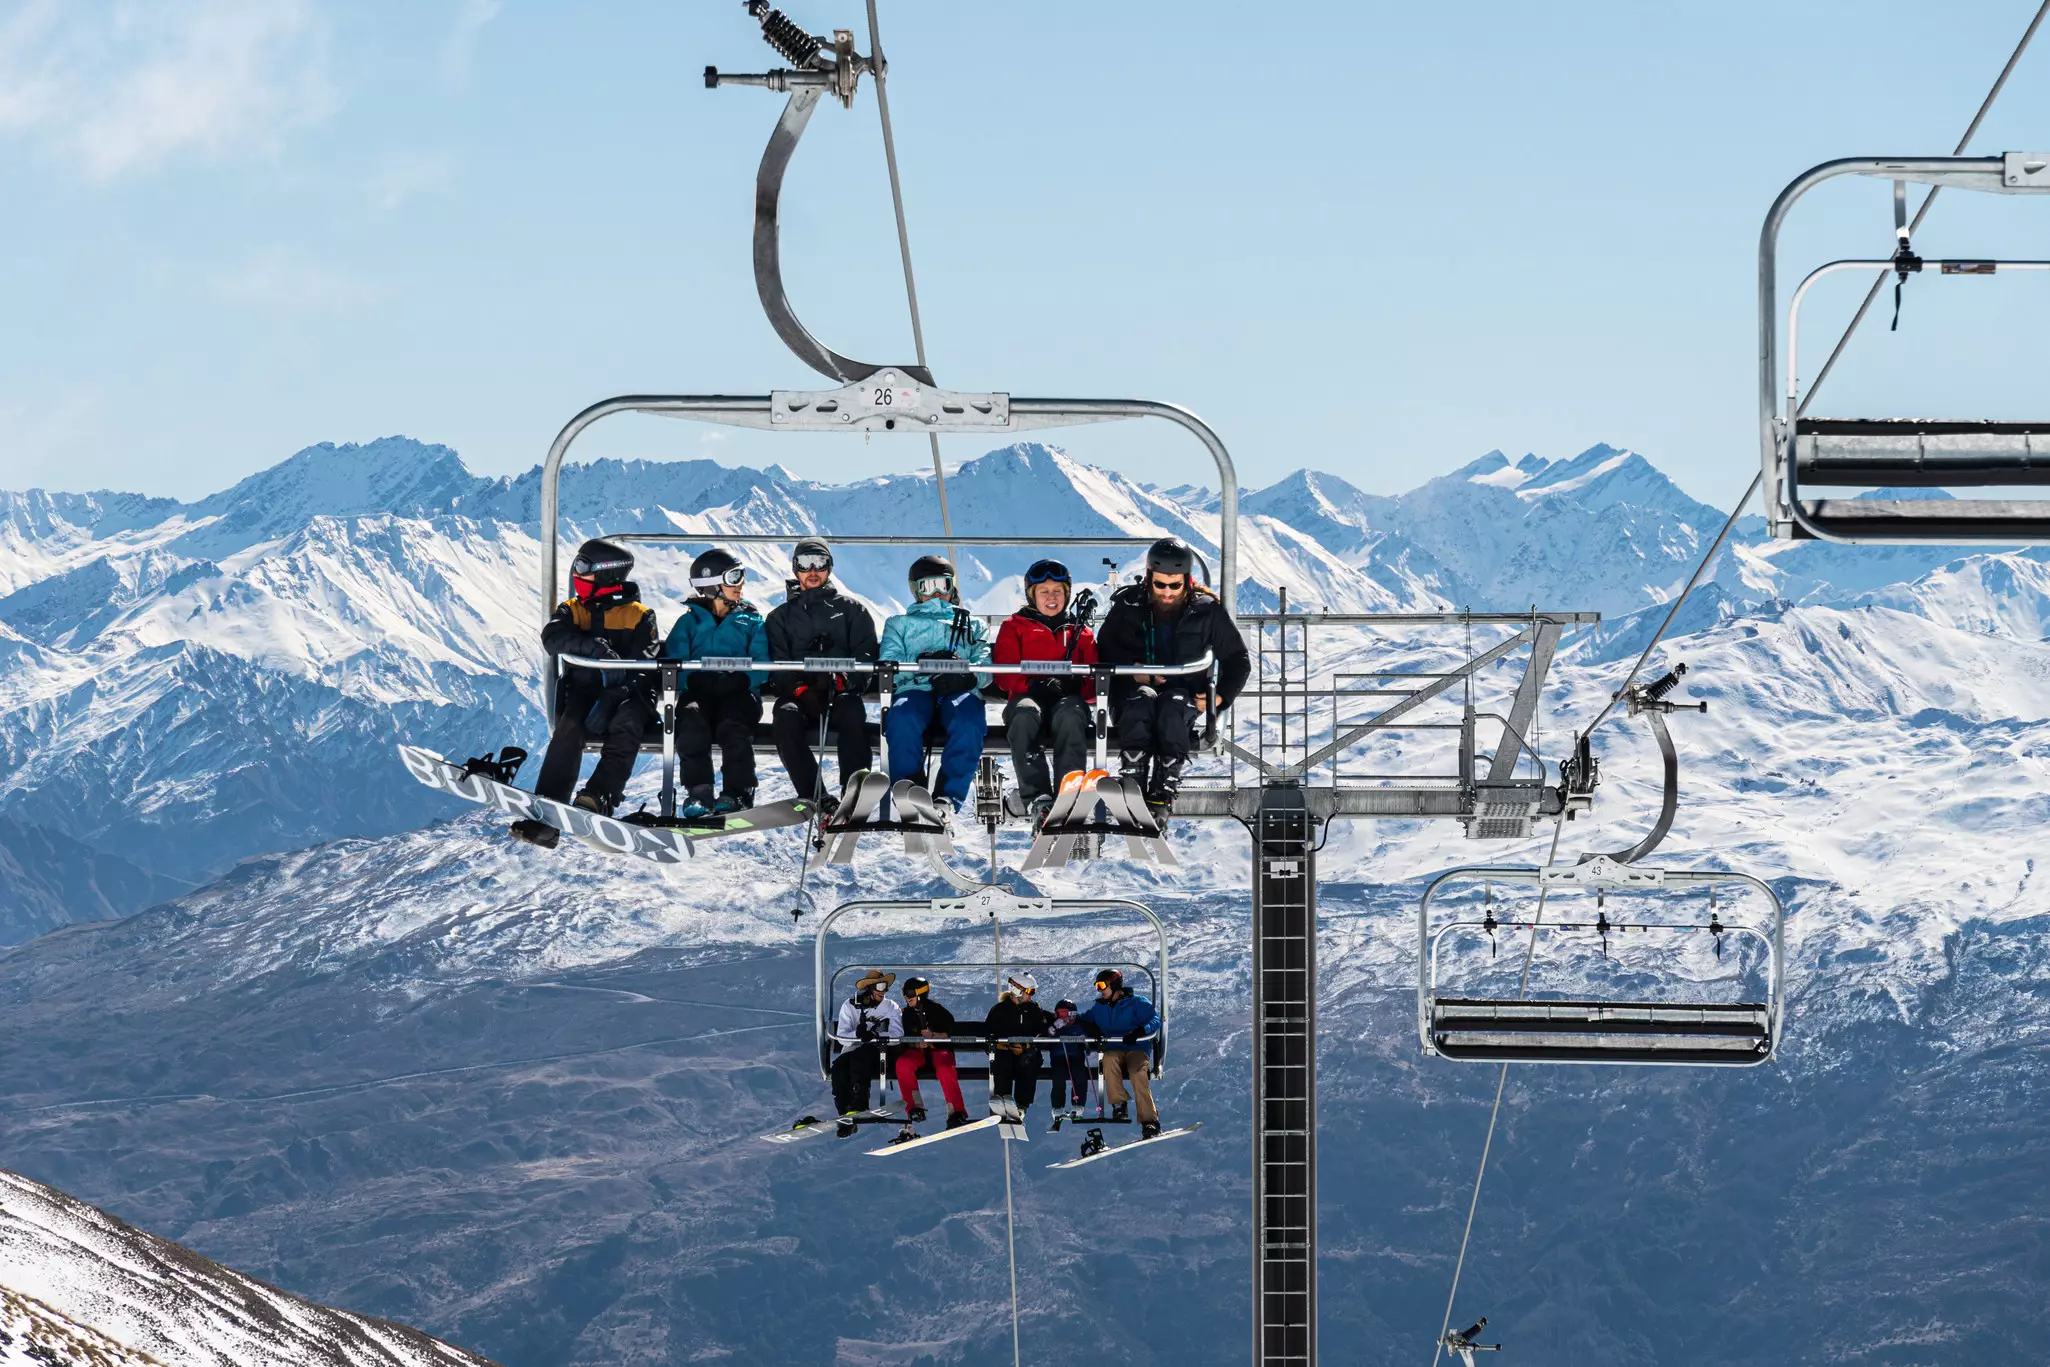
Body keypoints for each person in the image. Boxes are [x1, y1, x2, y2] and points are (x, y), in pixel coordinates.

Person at [515, 538, 661, 848]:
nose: (577, 576)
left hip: (628, 696)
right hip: (585, 691)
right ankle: (547, 817)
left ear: (608, 574)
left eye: (584, 569)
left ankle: (599, 796)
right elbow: (552, 637)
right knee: (569, 726)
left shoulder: (639, 616)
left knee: (628, 723)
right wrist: (592, 647)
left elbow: (646, 670)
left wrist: (614, 696)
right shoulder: (573, 609)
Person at [1095, 536, 1251, 813]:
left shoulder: (1206, 611)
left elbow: (1237, 658)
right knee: (1140, 702)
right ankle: (1133, 779)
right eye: (1160, 585)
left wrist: (1220, 697)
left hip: (1184, 693)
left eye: (1175, 585)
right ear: (1149, 577)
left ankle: (1162, 791)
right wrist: (1132, 669)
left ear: (1187, 581)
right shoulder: (1129, 605)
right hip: (1134, 690)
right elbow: (1104, 648)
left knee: (1172, 706)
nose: (1167, 592)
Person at [764, 538, 879, 814]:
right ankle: (815, 795)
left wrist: (844, 681)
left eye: (820, 563)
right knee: (785, 713)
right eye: (805, 564)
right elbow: (777, 664)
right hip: (801, 696)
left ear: (829, 568)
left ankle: (853, 790)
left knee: (852, 710)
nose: (812, 570)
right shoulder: (780, 618)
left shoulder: (853, 610)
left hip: (839, 693)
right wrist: (800, 688)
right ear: (795, 570)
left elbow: (867, 656)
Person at [879, 555, 992, 816]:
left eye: (943, 585)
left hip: (958, 691)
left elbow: (985, 662)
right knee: (904, 715)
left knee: (969, 719)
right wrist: (921, 663)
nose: (938, 594)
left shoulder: (972, 625)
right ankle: (908, 790)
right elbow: (889, 664)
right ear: (915, 591)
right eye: (928, 587)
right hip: (914, 688)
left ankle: (946, 800)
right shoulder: (899, 624)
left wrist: (968, 676)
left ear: (952, 587)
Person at [661, 549, 770, 817]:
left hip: (740, 693)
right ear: (711, 585)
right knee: (690, 718)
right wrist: (694, 678)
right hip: (700, 691)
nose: (741, 583)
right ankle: (699, 792)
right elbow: (673, 663)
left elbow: (763, 663)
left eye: (742, 575)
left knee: (734, 725)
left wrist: (743, 679)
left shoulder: (752, 620)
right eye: (734, 577)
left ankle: (738, 791)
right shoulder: (689, 622)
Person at [991, 559, 1098, 823]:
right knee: (1025, 714)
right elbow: (1004, 676)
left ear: (1067, 595)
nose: (1052, 598)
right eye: (1044, 592)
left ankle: (1068, 794)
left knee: (1072, 715)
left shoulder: (1080, 633)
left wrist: (1075, 683)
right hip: (1028, 698)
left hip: (1067, 701)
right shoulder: (1014, 627)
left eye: (1057, 592)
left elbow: (1096, 682)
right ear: (1032, 595)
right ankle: (1037, 798)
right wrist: (1033, 684)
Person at [1076, 967, 1165, 1139]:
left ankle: (1149, 1122)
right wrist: (1060, 1017)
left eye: (1102, 986)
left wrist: (1140, 1031)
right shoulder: (1099, 1008)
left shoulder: (1136, 1003)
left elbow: (1155, 1020)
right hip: (1114, 1049)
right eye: (1097, 986)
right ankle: (1119, 1105)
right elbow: (1083, 1018)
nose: (1099, 990)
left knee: (1138, 1072)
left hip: (1136, 1048)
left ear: (1115, 985)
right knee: (1108, 1061)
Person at [893, 976, 973, 1130]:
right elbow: (903, 1036)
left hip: (938, 1049)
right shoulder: (906, 1015)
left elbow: (949, 1031)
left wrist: (933, 1036)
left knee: (945, 1067)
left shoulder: (937, 1010)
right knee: (903, 1064)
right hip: (918, 1052)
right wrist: (917, 1042)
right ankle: (914, 1108)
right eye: (904, 993)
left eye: (909, 993)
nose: (906, 997)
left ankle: (956, 1112)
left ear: (920, 993)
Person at [831, 969, 902, 1137]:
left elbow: (897, 1035)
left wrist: (876, 1035)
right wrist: (857, 1034)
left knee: (860, 1057)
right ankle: (845, 1115)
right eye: (880, 985)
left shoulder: (891, 1007)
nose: (883, 991)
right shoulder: (850, 1006)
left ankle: (860, 1105)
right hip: (853, 1051)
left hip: (881, 1052)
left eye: (886, 987)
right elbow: (841, 1037)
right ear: (869, 988)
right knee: (839, 1067)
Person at [983, 972, 1053, 1119]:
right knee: (1002, 1063)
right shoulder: (1000, 1010)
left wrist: (1031, 1047)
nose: (1031, 996)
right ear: (1017, 989)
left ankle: (1021, 1106)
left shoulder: (1033, 1010)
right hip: (1005, 1051)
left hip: (1027, 1052)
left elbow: (1042, 1032)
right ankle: (1002, 1099)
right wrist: (998, 1045)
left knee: (1028, 1065)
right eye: (1029, 991)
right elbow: (988, 1033)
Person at [1043, 997, 1092, 1113]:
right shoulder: (1053, 1026)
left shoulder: (1080, 1026)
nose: (1063, 1018)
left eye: (1065, 1014)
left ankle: (1078, 1104)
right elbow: (1044, 1041)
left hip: (1076, 1058)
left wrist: (1086, 1042)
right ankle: (1057, 1107)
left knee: (1080, 1074)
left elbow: (1090, 1042)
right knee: (1058, 1076)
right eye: (1060, 1014)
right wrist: (1052, 1030)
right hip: (1058, 1058)